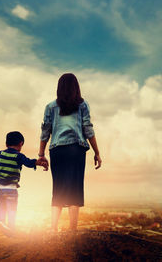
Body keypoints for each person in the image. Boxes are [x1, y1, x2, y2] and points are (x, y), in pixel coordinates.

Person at [38, 73, 102, 232]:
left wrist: (41, 154)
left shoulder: (50, 106)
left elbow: (45, 131)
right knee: (75, 188)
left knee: (58, 188)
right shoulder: (82, 105)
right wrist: (97, 152)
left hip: (57, 151)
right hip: (76, 150)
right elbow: (88, 129)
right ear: (76, 87)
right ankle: (72, 231)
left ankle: (53, 229)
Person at [0, 131, 48, 235]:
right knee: (12, 209)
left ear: (6, 144)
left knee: (2, 208)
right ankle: (11, 229)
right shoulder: (18, 156)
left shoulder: (1, 153)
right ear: (21, 144)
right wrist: (39, 163)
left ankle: (0, 224)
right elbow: (29, 162)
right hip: (11, 188)